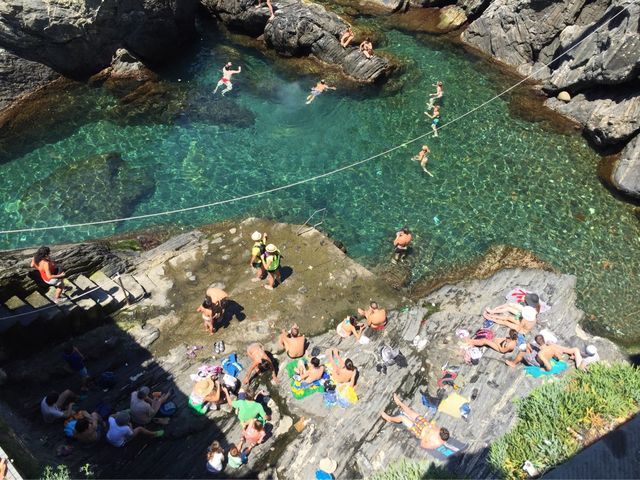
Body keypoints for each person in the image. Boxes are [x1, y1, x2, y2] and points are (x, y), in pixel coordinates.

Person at [380, 393, 449, 449]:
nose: (439, 430)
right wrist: (431, 425)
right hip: (424, 423)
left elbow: (423, 445)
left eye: (439, 432)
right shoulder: (441, 431)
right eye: (440, 430)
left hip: (419, 431)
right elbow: (434, 426)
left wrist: (424, 437)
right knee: (409, 411)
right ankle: (399, 403)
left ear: (440, 437)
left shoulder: (436, 443)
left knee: (402, 418)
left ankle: (389, 418)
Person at [506, 335, 584, 371]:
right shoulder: (552, 347)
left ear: (537, 342)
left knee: (521, 353)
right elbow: (558, 357)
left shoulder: (541, 354)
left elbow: (549, 367)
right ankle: (528, 352)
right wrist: (556, 357)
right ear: (544, 340)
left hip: (538, 362)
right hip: (541, 356)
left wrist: (544, 369)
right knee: (529, 345)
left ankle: (513, 363)